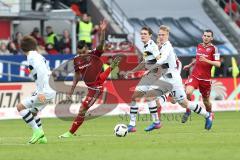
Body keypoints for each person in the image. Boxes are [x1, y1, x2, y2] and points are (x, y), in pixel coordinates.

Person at [59, 20, 121, 138]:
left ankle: (70, 132)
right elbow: (77, 76)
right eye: (79, 52)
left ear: (86, 48)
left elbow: (101, 44)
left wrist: (102, 32)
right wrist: (71, 90)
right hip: (91, 87)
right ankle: (72, 131)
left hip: (96, 88)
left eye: (83, 52)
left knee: (82, 108)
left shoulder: (94, 54)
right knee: (83, 110)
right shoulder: (76, 59)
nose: (81, 54)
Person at [146, 25, 214, 130]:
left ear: (167, 35)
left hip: (173, 79)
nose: (160, 37)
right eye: (159, 35)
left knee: (184, 104)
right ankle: (156, 122)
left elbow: (163, 59)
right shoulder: (160, 47)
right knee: (151, 96)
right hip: (165, 78)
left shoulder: (167, 46)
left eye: (163, 35)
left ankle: (207, 115)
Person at [125, 26, 173, 132]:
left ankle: (153, 122)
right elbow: (144, 63)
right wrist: (132, 71)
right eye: (141, 33)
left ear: (150, 35)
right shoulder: (146, 46)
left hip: (154, 75)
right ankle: (134, 125)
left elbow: (160, 62)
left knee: (148, 97)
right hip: (149, 75)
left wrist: (156, 76)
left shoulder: (153, 46)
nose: (142, 35)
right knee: (135, 97)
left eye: (145, 34)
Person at [16, 36, 56, 144]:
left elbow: (42, 72)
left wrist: (41, 91)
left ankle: (37, 131)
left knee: (20, 107)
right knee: (33, 113)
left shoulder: (32, 57)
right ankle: (42, 137)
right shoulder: (36, 55)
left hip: (46, 90)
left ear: (22, 48)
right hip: (50, 88)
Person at [182, 29, 221, 124]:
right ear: (202, 36)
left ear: (211, 38)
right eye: (205, 35)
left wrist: (206, 60)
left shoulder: (214, 49)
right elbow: (197, 59)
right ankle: (188, 111)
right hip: (195, 75)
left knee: (206, 101)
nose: (206, 37)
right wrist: (190, 65)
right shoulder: (199, 46)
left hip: (206, 79)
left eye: (208, 36)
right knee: (188, 92)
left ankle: (209, 115)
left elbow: (218, 64)